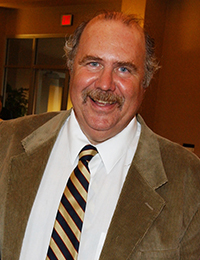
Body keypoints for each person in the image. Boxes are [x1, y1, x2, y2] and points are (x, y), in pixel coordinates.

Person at [0, 11, 200, 260]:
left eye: (124, 69)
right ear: (72, 67)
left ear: (145, 81)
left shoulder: (189, 179)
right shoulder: (4, 143)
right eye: (93, 63)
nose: (105, 84)